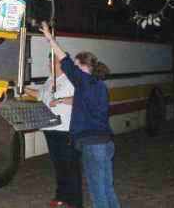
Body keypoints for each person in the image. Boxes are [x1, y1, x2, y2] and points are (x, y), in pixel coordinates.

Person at [39, 21, 120, 208]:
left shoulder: (84, 83)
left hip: (93, 145)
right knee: (107, 187)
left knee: (97, 191)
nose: (73, 70)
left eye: (77, 66)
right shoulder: (98, 85)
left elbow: (65, 61)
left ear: (84, 67)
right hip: (105, 142)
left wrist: (50, 39)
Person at [23, 55, 83, 208]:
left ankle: (75, 202)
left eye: (53, 61)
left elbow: (82, 98)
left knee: (70, 166)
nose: (50, 64)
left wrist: (62, 100)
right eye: (49, 61)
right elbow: (41, 96)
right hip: (50, 129)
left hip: (66, 130)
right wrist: (22, 89)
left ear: (62, 64)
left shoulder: (71, 79)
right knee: (59, 165)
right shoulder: (50, 80)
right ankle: (61, 195)